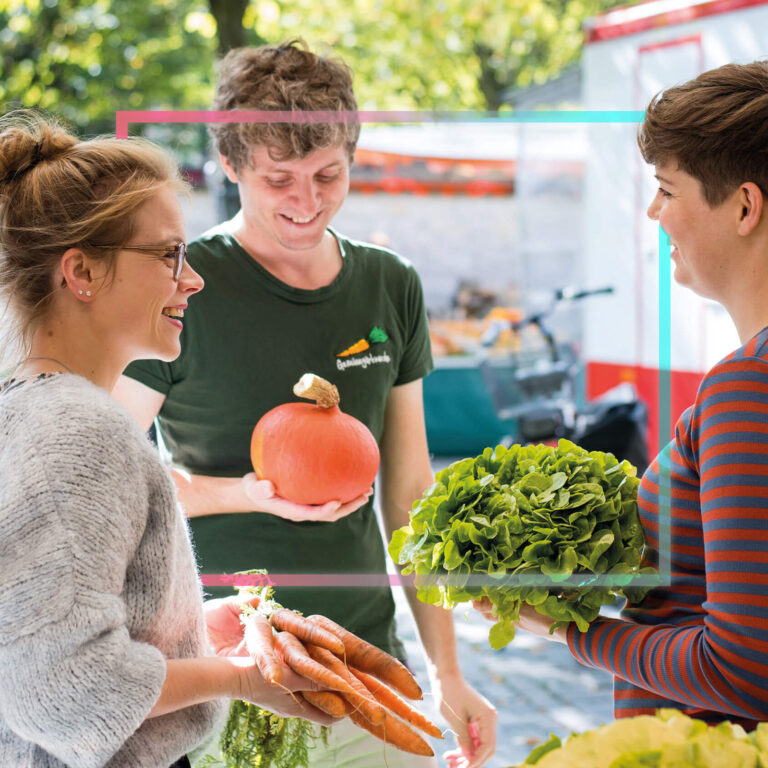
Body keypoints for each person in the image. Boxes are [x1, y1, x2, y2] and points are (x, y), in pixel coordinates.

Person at [113, 39, 497, 767]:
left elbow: (411, 496)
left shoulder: (391, 284)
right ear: (230, 165)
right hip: (226, 675)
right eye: (278, 178)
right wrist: (249, 495)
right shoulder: (178, 288)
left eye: (328, 174)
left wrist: (448, 671)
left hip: (368, 669)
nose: (307, 200)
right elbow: (114, 486)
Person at [0, 111, 333, 768]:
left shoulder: (31, 411)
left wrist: (188, 637)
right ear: (82, 273)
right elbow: (64, 689)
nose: (193, 277)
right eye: (168, 254)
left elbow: (37, 627)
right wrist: (242, 680)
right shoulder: (80, 432)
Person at [474, 60, 768, 730]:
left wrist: (563, 627)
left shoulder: (747, 386)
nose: (652, 211)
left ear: (745, 207)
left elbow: (743, 669)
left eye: (668, 189)